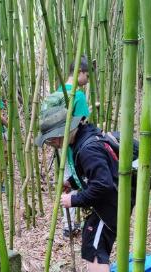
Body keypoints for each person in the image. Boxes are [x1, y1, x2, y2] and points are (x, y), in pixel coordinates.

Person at [35, 102, 120, 272]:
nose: (53, 144)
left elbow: (103, 185)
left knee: (93, 246)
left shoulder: (87, 148)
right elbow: (95, 173)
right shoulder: (83, 138)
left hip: (111, 203)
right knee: (96, 242)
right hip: (112, 200)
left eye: (53, 138)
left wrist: (73, 199)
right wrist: (72, 182)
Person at [57, 55, 91, 238]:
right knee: (81, 182)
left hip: (62, 148)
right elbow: (83, 123)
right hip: (77, 149)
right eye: (87, 75)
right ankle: (87, 222)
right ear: (79, 72)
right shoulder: (77, 95)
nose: (87, 80)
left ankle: (67, 225)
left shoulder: (59, 92)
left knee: (67, 183)